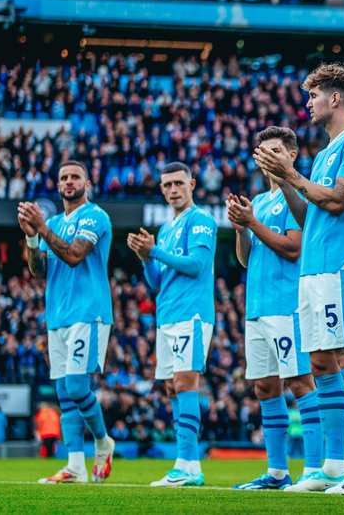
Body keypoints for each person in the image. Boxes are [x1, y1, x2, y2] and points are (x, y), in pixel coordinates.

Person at [253, 62, 344, 494]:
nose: (308, 104)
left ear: (336, 98)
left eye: (313, 96)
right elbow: (308, 216)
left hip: (341, 265)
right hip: (313, 268)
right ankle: (329, 466)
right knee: (321, 362)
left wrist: (290, 174)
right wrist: (286, 180)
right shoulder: (323, 153)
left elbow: (341, 200)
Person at [227, 126, 323, 491]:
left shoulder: (295, 195)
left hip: (286, 304)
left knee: (300, 382)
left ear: (290, 155)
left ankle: (313, 469)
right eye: (262, 152)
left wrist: (251, 223)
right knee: (266, 388)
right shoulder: (260, 200)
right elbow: (248, 260)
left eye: (275, 151)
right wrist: (241, 229)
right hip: (257, 307)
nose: (267, 158)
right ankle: (278, 473)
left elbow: (293, 248)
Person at [19, 161, 115, 484]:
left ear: (87, 183)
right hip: (57, 314)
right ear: (58, 185)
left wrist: (43, 228)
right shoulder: (57, 220)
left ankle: (103, 442)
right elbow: (38, 270)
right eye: (63, 178)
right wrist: (32, 237)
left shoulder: (95, 216)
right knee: (63, 391)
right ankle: (75, 466)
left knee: (76, 385)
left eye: (75, 177)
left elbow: (74, 254)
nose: (69, 182)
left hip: (88, 312)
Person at [128, 162, 217, 487]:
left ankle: (186, 463)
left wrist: (155, 251)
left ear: (192, 183)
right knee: (170, 387)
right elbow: (156, 282)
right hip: (166, 316)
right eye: (167, 185)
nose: (173, 190)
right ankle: (189, 465)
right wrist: (146, 258)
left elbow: (195, 266)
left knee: (184, 384)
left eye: (179, 183)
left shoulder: (201, 219)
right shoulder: (166, 229)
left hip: (191, 313)